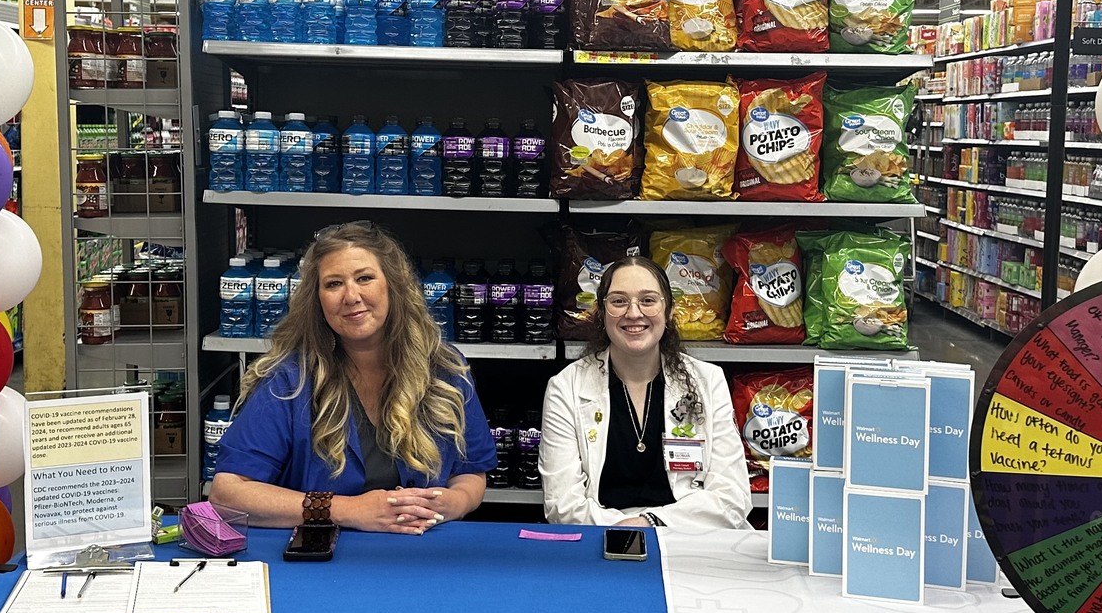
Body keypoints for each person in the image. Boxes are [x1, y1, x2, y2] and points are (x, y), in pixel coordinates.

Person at [209, 222, 495, 534]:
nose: (351, 296)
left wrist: (453, 502)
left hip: (422, 549)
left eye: (364, 278)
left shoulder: (445, 369)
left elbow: (471, 474)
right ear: (317, 299)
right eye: (333, 284)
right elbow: (227, 494)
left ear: (394, 285)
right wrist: (347, 510)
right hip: (326, 555)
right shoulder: (289, 381)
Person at [538, 254, 751, 530]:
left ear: (669, 310)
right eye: (618, 301)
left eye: (648, 300)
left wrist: (651, 523)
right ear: (601, 312)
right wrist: (625, 530)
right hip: (601, 539)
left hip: (689, 540)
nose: (634, 313)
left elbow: (732, 497)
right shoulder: (566, 387)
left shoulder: (708, 381)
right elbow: (562, 505)